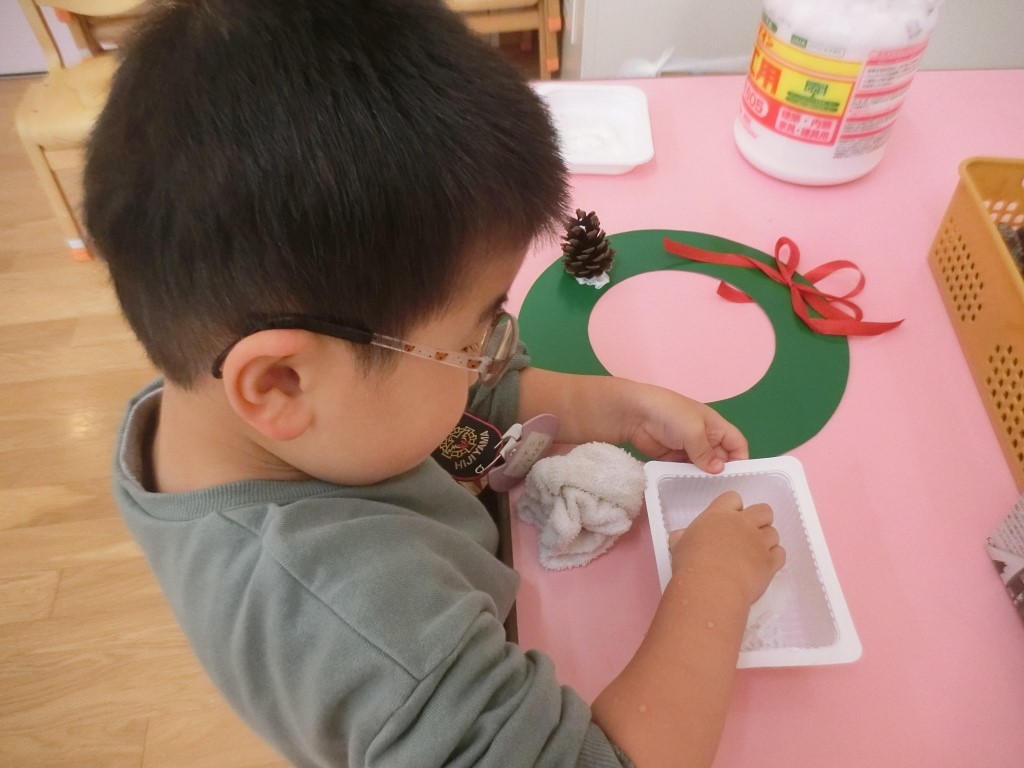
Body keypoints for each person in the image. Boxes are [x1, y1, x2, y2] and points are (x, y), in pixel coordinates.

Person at [84, 1, 785, 766]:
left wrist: (617, 408)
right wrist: (714, 584)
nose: (489, 358)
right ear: (281, 382)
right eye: (472, 342)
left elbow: (449, 399)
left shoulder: (231, 398)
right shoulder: (372, 630)